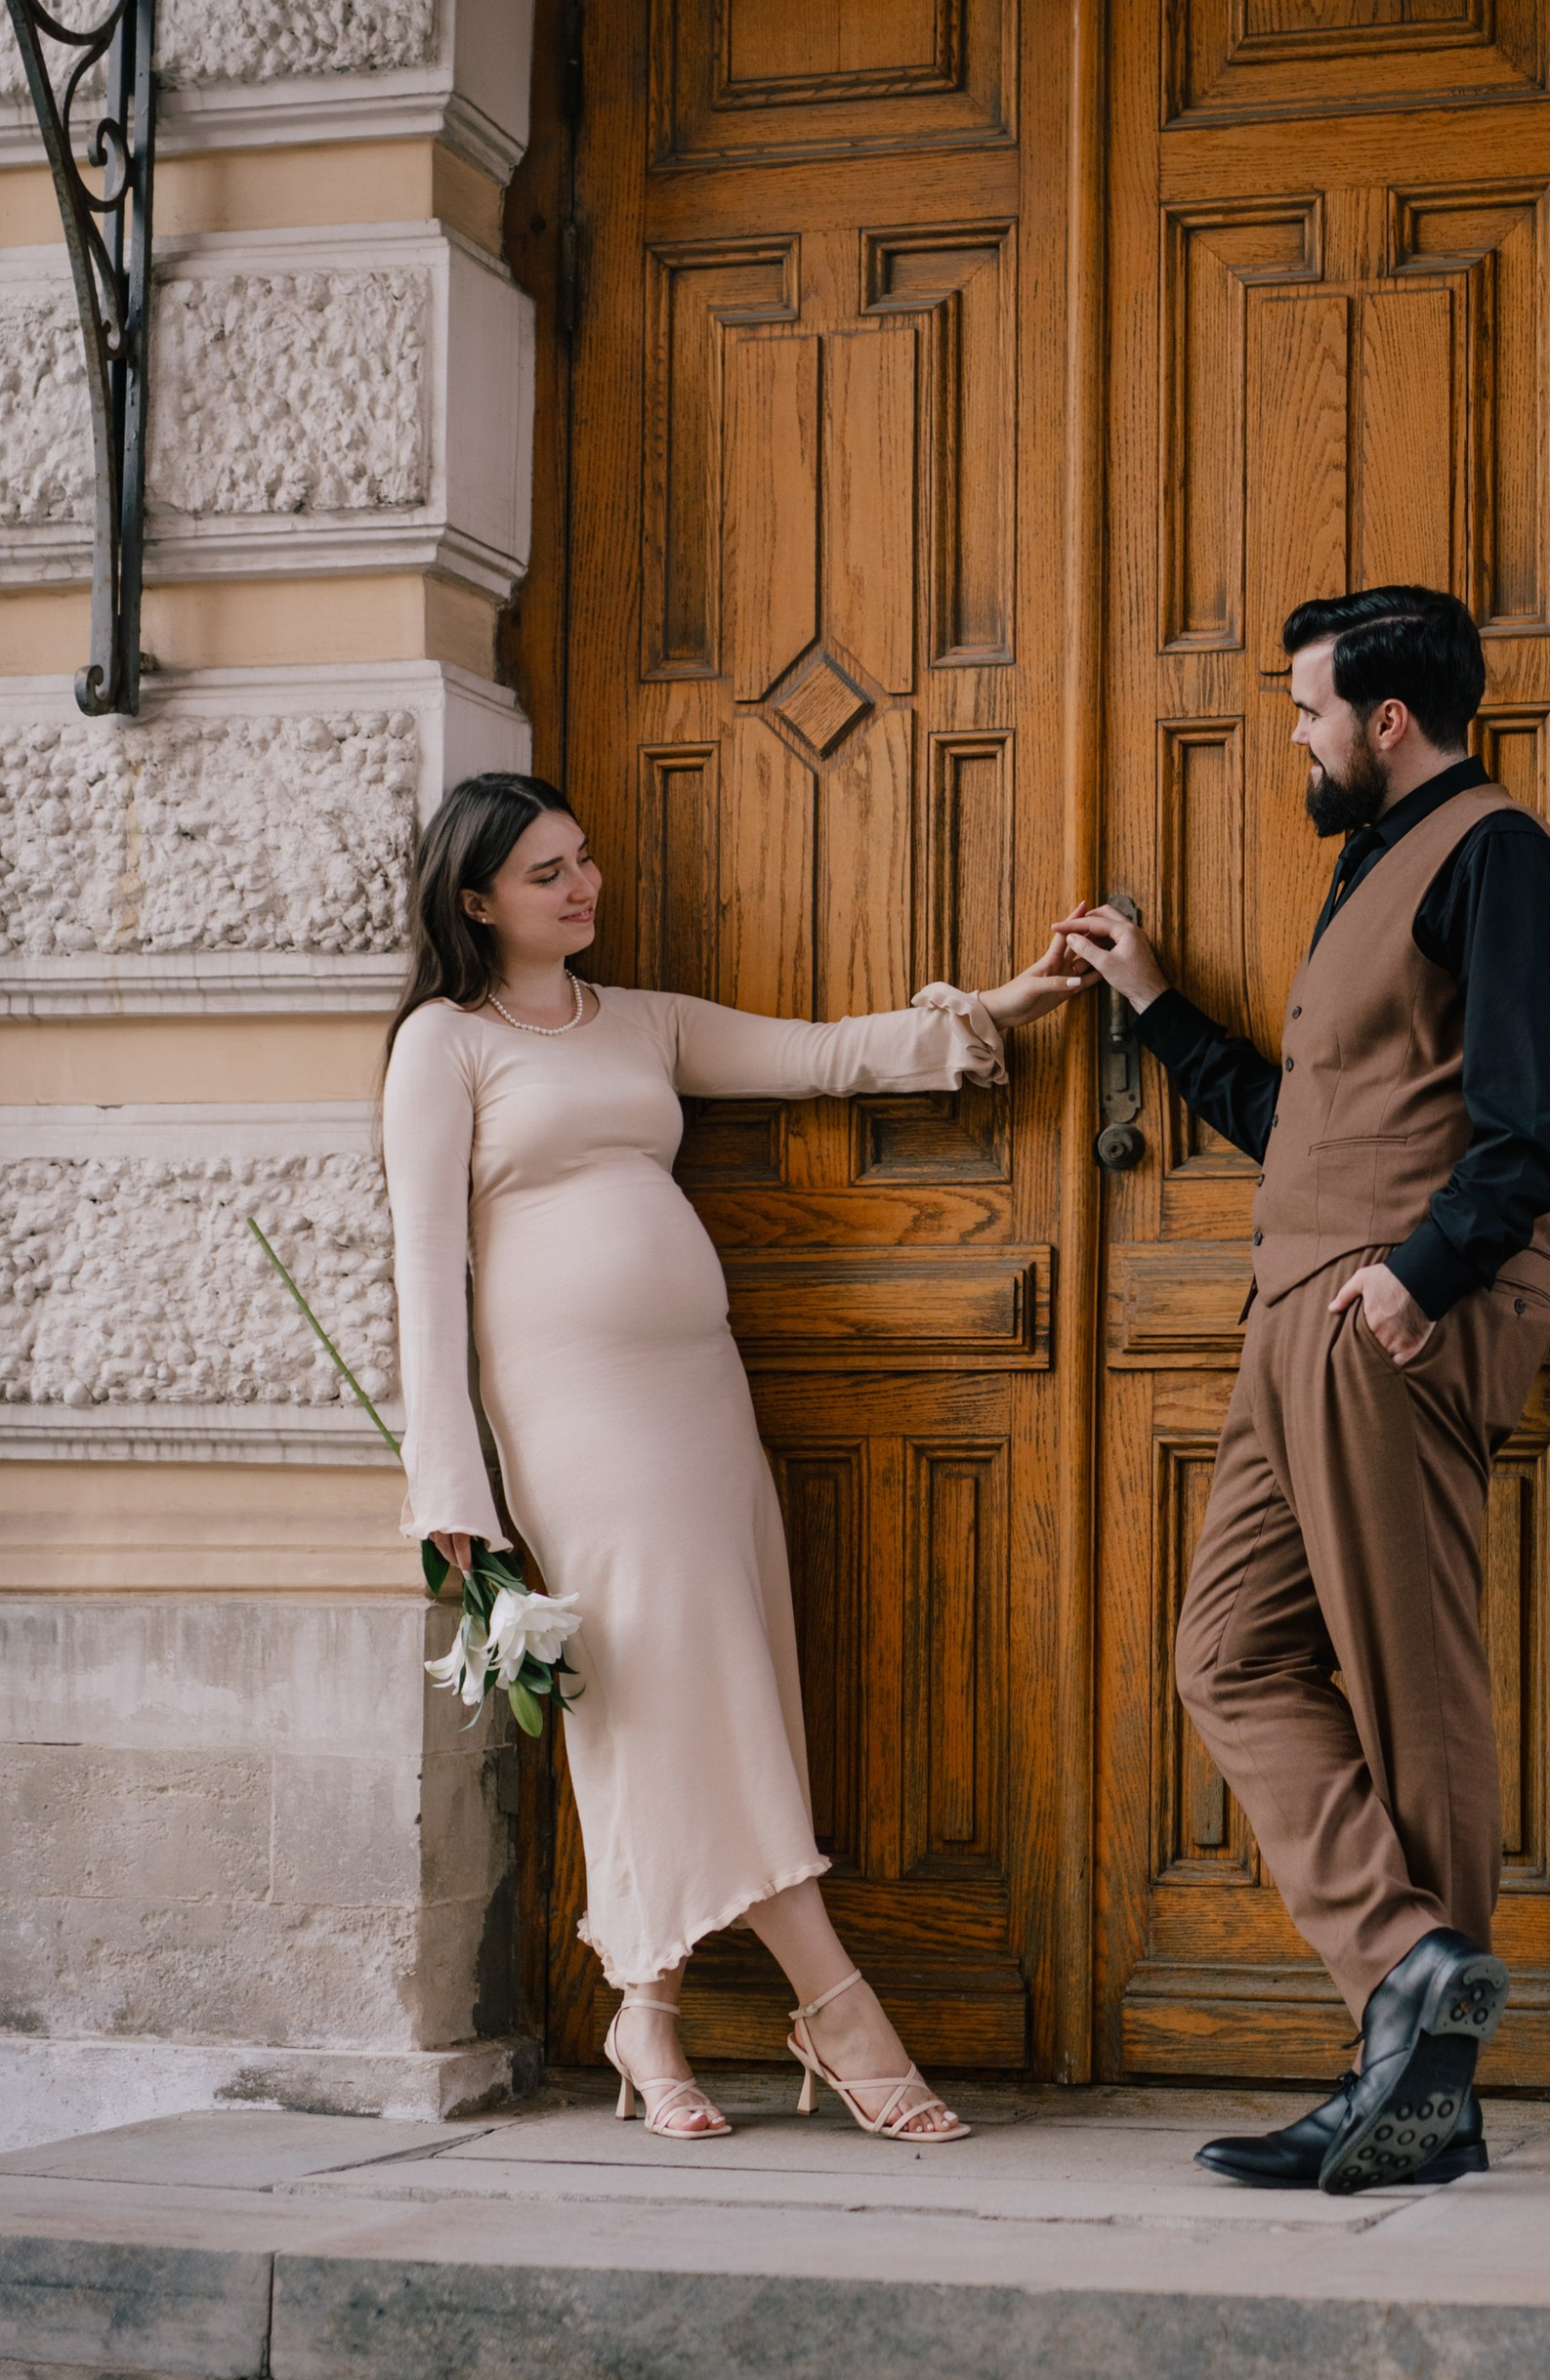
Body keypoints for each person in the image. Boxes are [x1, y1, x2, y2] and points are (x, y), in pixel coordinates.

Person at [382, 772, 1084, 2145]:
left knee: (683, 1685)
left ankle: (645, 2016)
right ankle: (836, 2003)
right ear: (475, 900)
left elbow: (822, 1056)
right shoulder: (443, 1046)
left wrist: (992, 1009)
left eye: (582, 861)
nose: (581, 888)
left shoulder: (635, 1021)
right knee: (680, 1681)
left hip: (699, 1395)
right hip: (572, 1412)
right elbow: (424, 1273)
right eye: (544, 874)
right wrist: (450, 1493)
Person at [1062, 586, 1550, 2194]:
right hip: (1298, 1305)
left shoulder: (1499, 856)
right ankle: (1408, 1973)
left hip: (1393, 1313)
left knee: (1407, 1687)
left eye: (1306, 711)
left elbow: (1536, 1114)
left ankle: (1423, 2096)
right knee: (1229, 1653)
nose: (1290, 737)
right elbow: (1311, 1115)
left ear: (1385, 719)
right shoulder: (1371, 870)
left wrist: (1419, 1276)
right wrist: (1153, 1006)